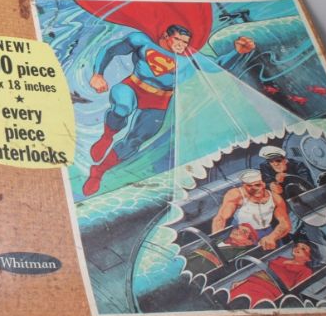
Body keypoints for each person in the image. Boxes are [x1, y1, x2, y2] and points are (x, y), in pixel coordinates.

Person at [83, 21, 255, 195]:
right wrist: (98, 74)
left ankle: (99, 171)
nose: (181, 45)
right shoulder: (142, 41)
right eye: (177, 39)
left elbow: (216, 65)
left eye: (185, 42)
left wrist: (237, 52)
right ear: (166, 35)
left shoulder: (189, 58)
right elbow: (111, 50)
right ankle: (107, 136)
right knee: (122, 106)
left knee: (135, 140)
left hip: (159, 100)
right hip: (133, 86)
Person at [211, 170, 291, 250]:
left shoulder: (275, 197)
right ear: (244, 186)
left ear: (263, 184)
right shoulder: (236, 195)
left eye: (257, 185)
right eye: (249, 186)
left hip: (267, 232)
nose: (254, 189)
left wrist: (272, 237)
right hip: (240, 232)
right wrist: (217, 242)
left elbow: (285, 223)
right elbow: (220, 218)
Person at [229, 240, 315, 307]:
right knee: (233, 298)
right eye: (297, 246)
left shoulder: (306, 271)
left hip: (270, 290)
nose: (297, 248)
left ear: (309, 258)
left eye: (303, 249)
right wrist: (244, 280)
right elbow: (264, 271)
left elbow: (296, 290)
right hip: (253, 282)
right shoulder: (280, 259)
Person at [184, 223, 259, 274]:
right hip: (185, 262)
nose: (237, 231)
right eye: (237, 228)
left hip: (199, 272)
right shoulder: (217, 239)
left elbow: (227, 269)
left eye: (244, 232)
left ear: (249, 242)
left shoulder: (241, 253)